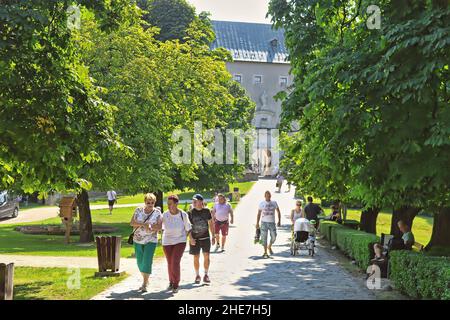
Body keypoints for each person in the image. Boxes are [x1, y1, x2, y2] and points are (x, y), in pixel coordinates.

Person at [130, 193, 162, 292]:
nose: (150, 204)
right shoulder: (138, 210)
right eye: (148, 202)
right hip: (138, 240)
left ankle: (144, 283)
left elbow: (160, 227)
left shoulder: (157, 213)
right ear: (145, 202)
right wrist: (144, 224)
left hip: (151, 240)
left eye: (152, 202)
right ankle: (145, 279)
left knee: (147, 261)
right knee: (140, 262)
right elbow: (132, 223)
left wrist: (151, 228)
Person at [161, 195, 193, 293]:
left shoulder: (183, 214)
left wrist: (191, 239)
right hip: (167, 241)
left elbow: (188, 228)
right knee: (170, 262)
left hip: (180, 241)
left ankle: (176, 284)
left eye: (170, 204)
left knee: (175, 261)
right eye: (168, 204)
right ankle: (171, 281)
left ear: (176, 203)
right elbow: (159, 226)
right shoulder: (165, 214)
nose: (168, 206)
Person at [188, 194, 215, 284]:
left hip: (205, 237)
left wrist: (213, 236)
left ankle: (206, 274)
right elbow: (188, 227)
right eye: (193, 201)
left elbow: (211, 223)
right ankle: (197, 275)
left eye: (196, 201)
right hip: (195, 239)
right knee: (196, 256)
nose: (194, 202)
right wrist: (190, 238)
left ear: (201, 202)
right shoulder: (190, 212)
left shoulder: (207, 211)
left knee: (206, 256)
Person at [256, 191, 281, 258]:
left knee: (274, 236)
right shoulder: (262, 203)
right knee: (264, 238)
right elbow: (258, 214)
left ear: (270, 196)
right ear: (265, 196)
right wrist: (257, 223)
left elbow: (278, 211)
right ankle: (265, 252)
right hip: (263, 222)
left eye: (269, 195)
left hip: (272, 223)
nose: (268, 196)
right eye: (267, 195)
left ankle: (269, 246)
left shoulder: (274, 203)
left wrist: (279, 221)